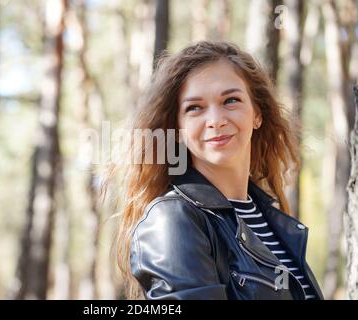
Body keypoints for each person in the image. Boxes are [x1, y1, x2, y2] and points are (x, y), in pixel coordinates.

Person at [111, 41, 324, 300]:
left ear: (257, 114)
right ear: (178, 128)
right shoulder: (173, 219)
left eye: (230, 100)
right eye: (195, 108)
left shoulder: (270, 218)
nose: (216, 120)